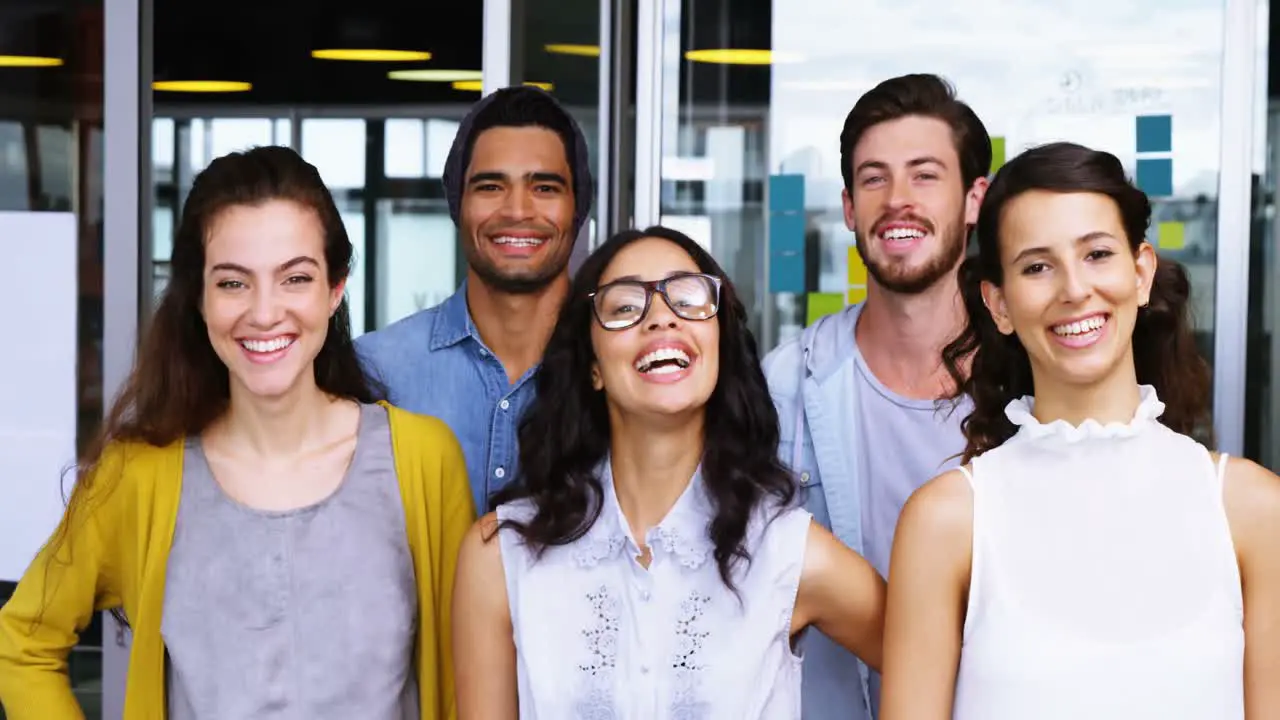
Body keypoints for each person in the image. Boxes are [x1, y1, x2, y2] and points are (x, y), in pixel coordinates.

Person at [0, 146, 475, 720]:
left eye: (295, 277)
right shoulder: (140, 473)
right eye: (233, 283)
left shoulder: (422, 459)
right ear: (199, 299)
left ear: (335, 289)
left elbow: (465, 679)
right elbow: (22, 644)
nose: (265, 312)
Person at [880, 141, 1280, 719]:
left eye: (1096, 254)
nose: (1073, 289)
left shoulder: (1252, 509)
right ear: (999, 304)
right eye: (1037, 266)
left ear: (1141, 273)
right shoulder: (946, 522)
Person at [450, 226, 887, 718]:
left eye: (687, 298)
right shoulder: (500, 555)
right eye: (624, 307)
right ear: (592, 365)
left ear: (718, 342)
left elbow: (949, 667)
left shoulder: (787, 549)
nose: (661, 319)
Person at [761, 73, 991, 718]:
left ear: (975, 199)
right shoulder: (780, 388)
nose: (897, 200)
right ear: (847, 208)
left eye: (924, 175)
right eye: (874, 178)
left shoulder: (1037, 391)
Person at [357, 85, 593, 513]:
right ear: (457, 204)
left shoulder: (617, 366)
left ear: (577, 208)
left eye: (544, 188)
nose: (517, 211)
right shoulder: (374, 372)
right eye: (490, 186)